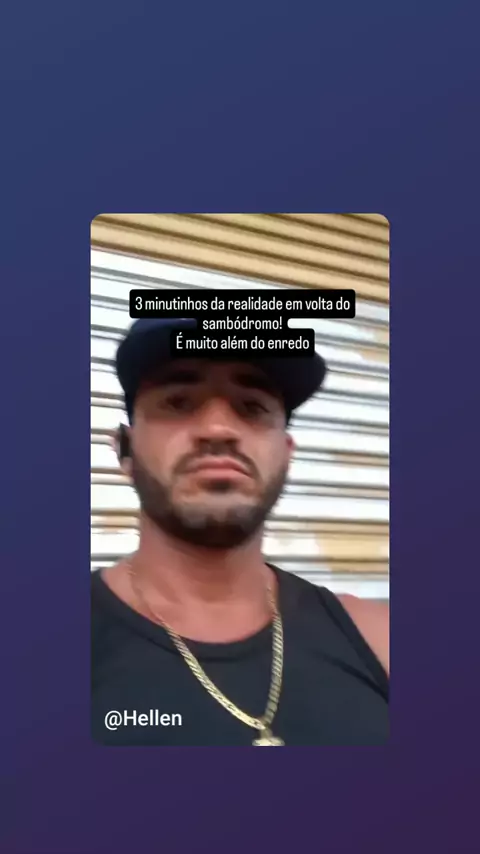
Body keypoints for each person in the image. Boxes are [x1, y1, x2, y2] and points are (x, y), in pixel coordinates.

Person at [91, 318, 389, 746]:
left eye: (251, 407)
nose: (218, 430)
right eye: (178, 402)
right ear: (125, 450)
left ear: (286, 454)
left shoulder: (379, 640)